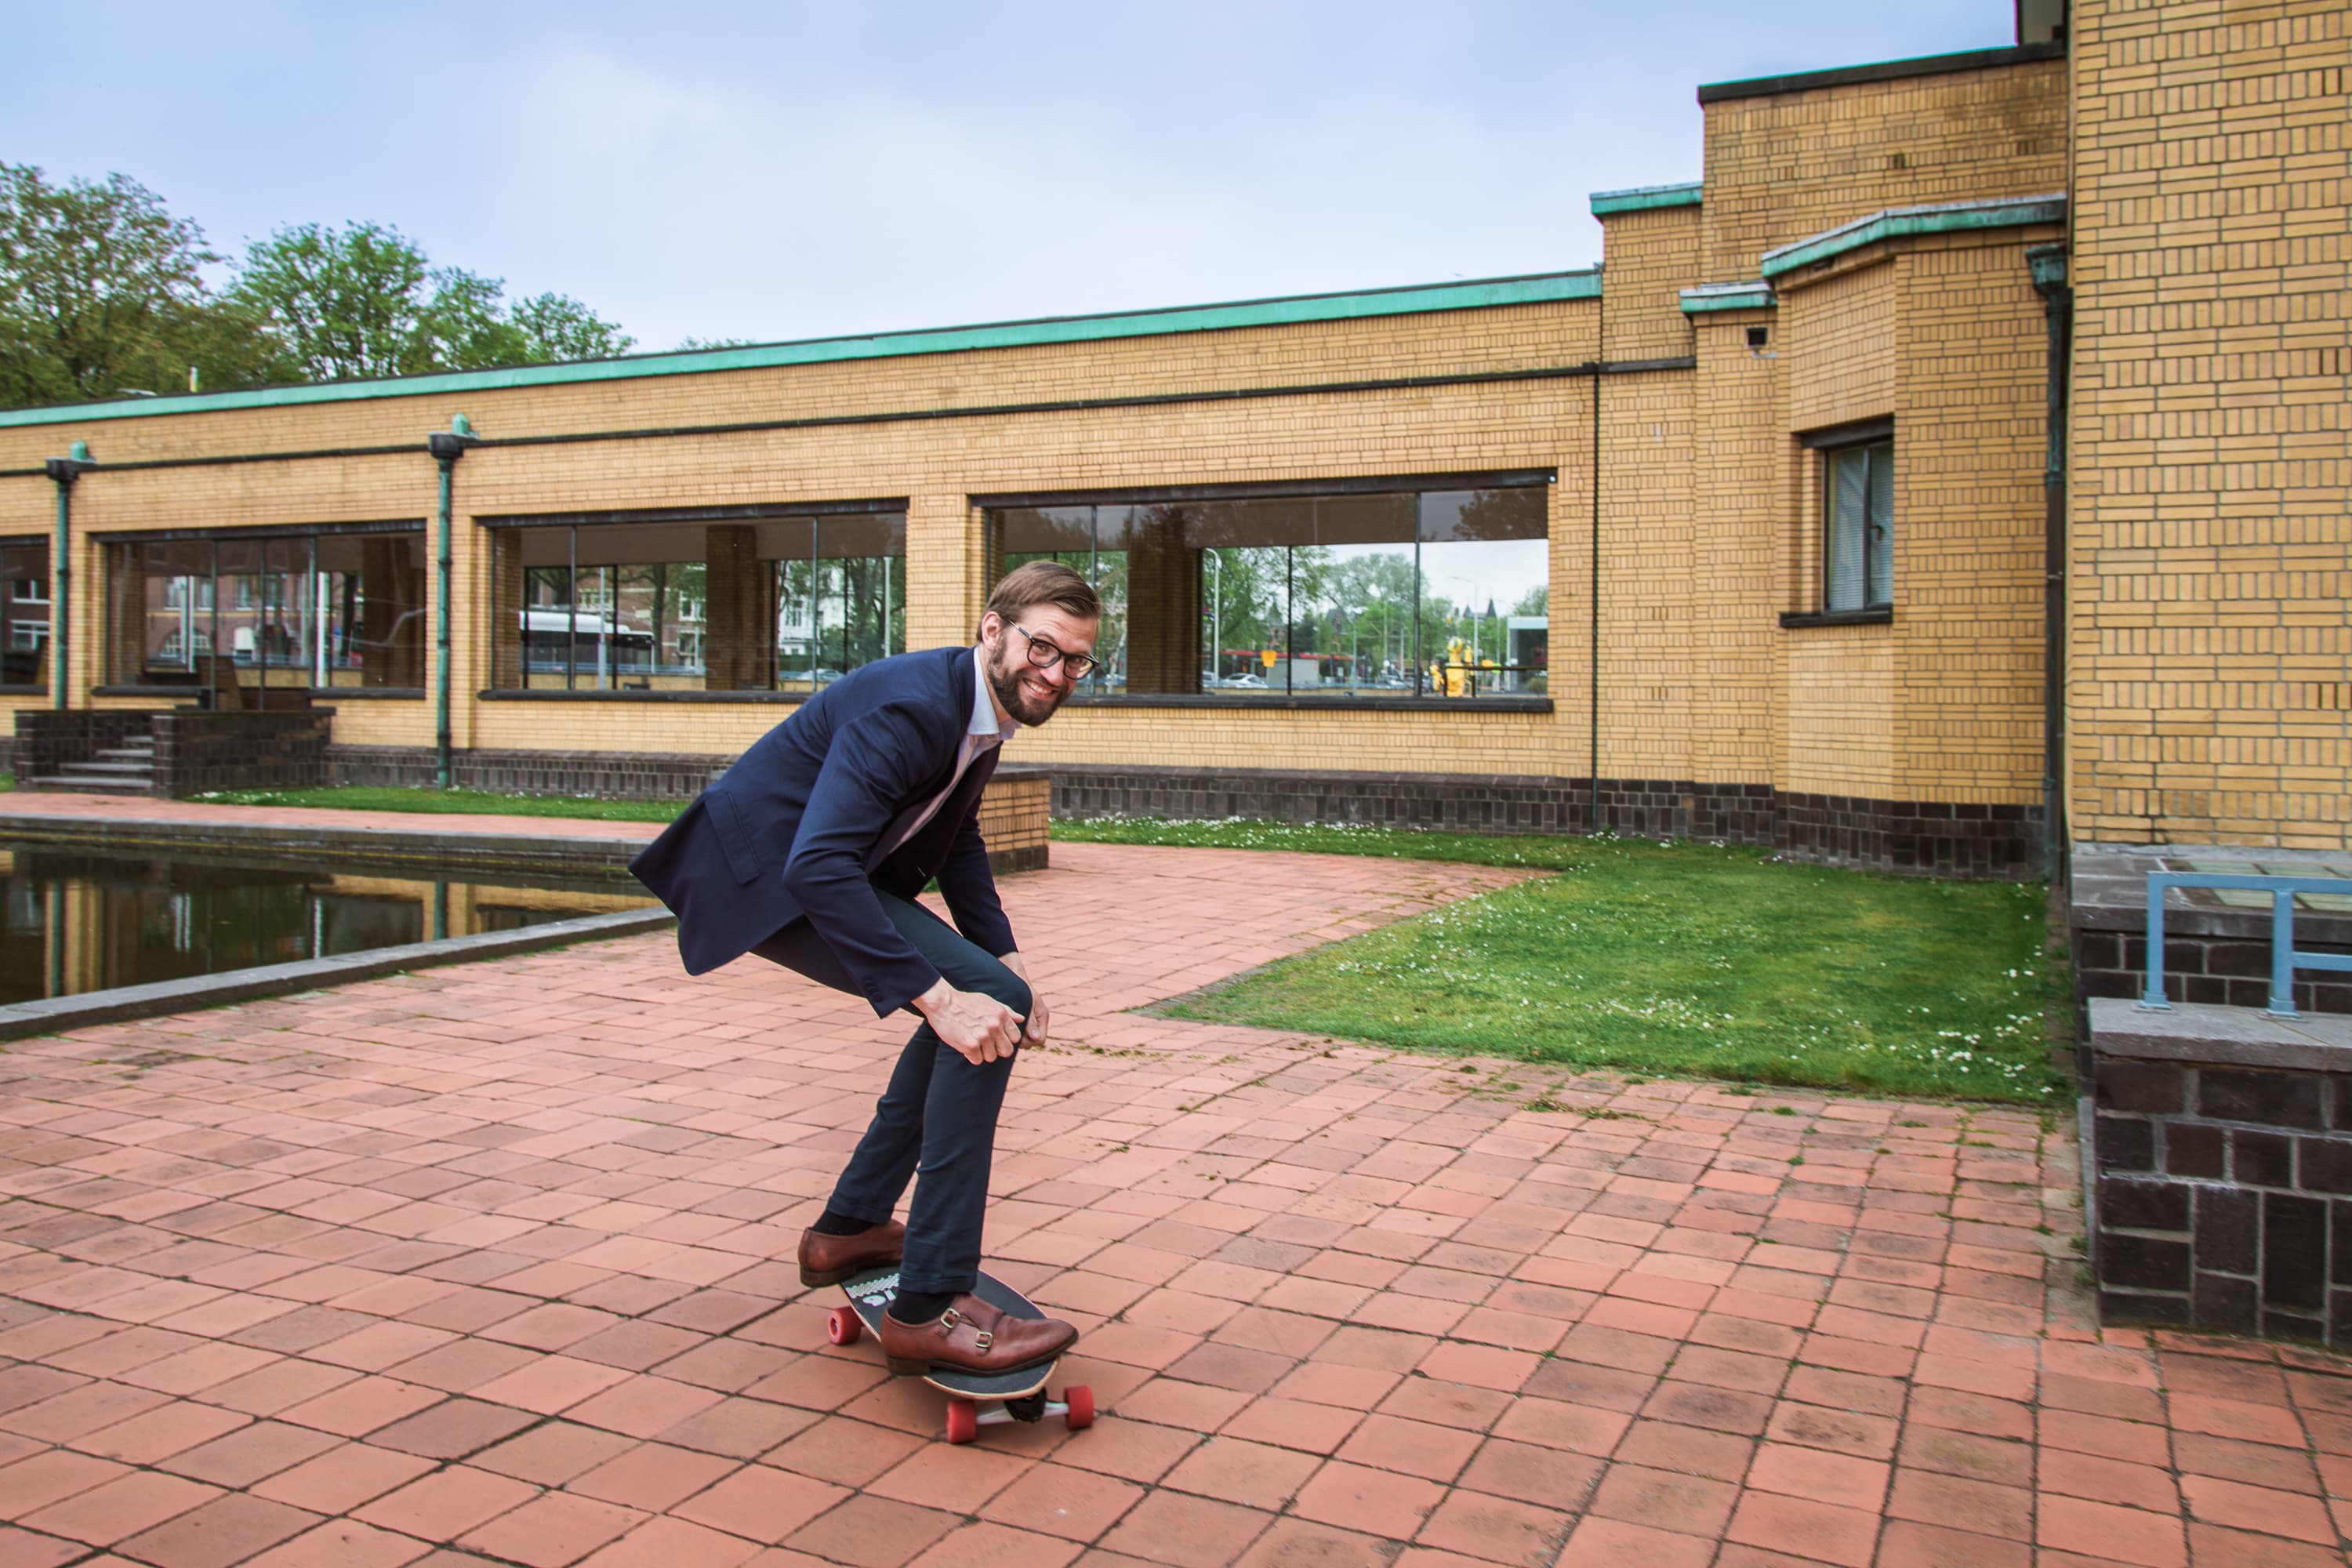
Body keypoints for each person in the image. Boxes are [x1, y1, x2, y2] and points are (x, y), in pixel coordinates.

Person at [630, 561, 1100, 1376]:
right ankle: (930, 1303)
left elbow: (957, 835)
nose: (1056, 674)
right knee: (972, 1007)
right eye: (1043, 648)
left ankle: (849, 1228)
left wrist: (1008, 961)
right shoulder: (915, 707)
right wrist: (940, 999)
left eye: (1077, 661)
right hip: (766, 878)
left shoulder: (978, 710)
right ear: (993, 629)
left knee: (996, 995)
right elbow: (816, 867)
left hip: (817, 867)